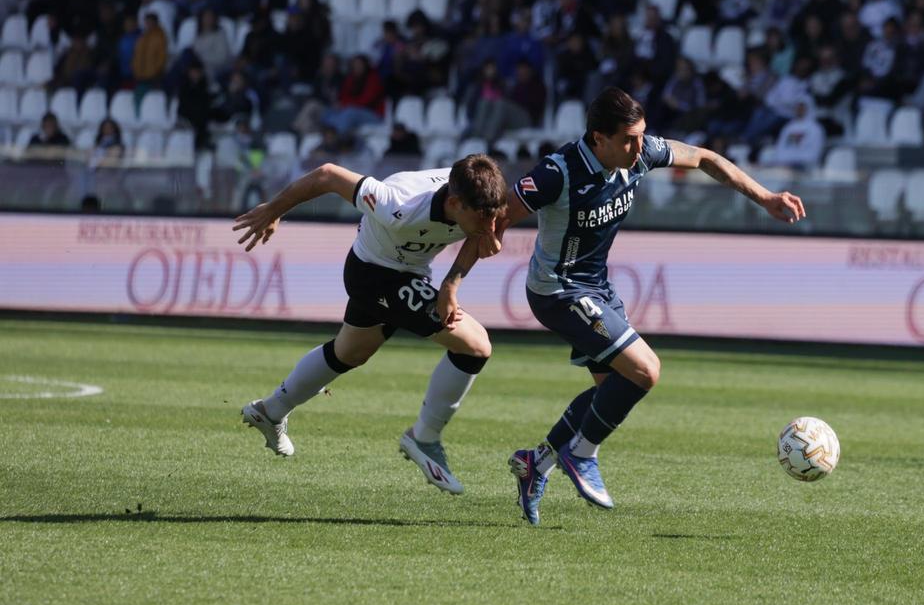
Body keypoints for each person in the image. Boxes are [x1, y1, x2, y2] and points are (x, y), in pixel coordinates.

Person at [438, 88, 804, 525]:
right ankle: (583, 454)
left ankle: (538, 462)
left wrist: (765, 198)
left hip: (597, 288)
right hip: (558, 291)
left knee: (610, 389)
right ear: (598, 138)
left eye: (641, 137)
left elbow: (705, 158)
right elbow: (491, 219)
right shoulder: (558, 173)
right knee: (646, 371)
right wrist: (452, 283)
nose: (638, 147)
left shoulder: (641, 153)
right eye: (628, 139)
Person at [233, 155, 507, 494]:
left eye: (493, 217)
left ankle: (270, 410)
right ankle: (424, 438)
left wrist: (452, 282)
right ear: (454, 203)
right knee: (476, 345)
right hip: (374, 274)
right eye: (483, 219)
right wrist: (274, 210)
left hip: (408, 271)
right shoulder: (398, 203)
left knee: (350, 352)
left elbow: (491, 220)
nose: (491, 227)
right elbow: (328, 176)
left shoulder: (481, 199)